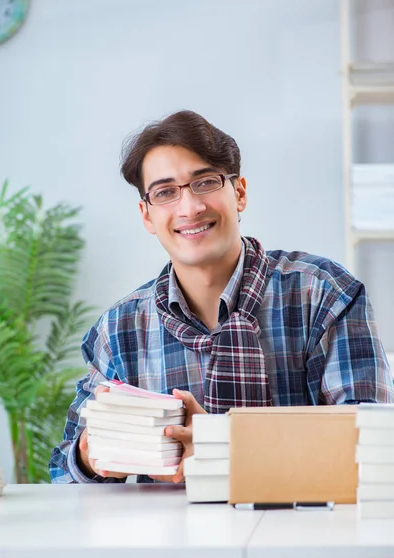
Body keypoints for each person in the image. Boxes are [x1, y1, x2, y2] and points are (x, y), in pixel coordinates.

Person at [50, 110, 394, 485]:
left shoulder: (323, 294)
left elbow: (373, 446)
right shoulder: (120, 329)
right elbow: (64, 476)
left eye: (205, 183)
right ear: (146, 216)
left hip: (301, 533)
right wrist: (90, 457)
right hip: (170, 540)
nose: (190, 208)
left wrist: (223, 446)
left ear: (240, 193)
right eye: (165, 192)